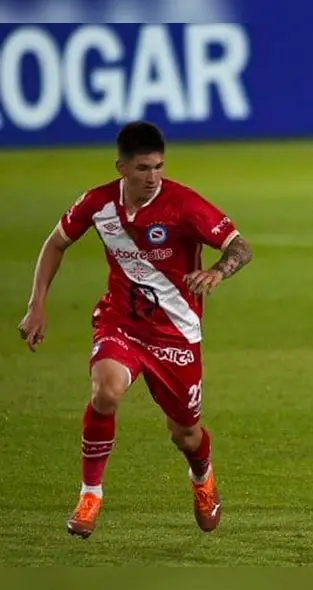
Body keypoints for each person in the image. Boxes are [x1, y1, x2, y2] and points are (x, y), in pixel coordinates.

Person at [17, 121, 253, 539]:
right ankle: (90, 495)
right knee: (105, 392)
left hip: (176, 334)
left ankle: (203, 477)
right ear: (121, 167)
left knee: (186, 433)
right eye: (143, 168)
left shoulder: (184, 205)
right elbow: (55, 242)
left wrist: (218, 271)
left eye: (159, 167)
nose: (153, 177)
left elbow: (240, 246)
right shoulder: (97, 204)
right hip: (120, 324)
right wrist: (37, 305)